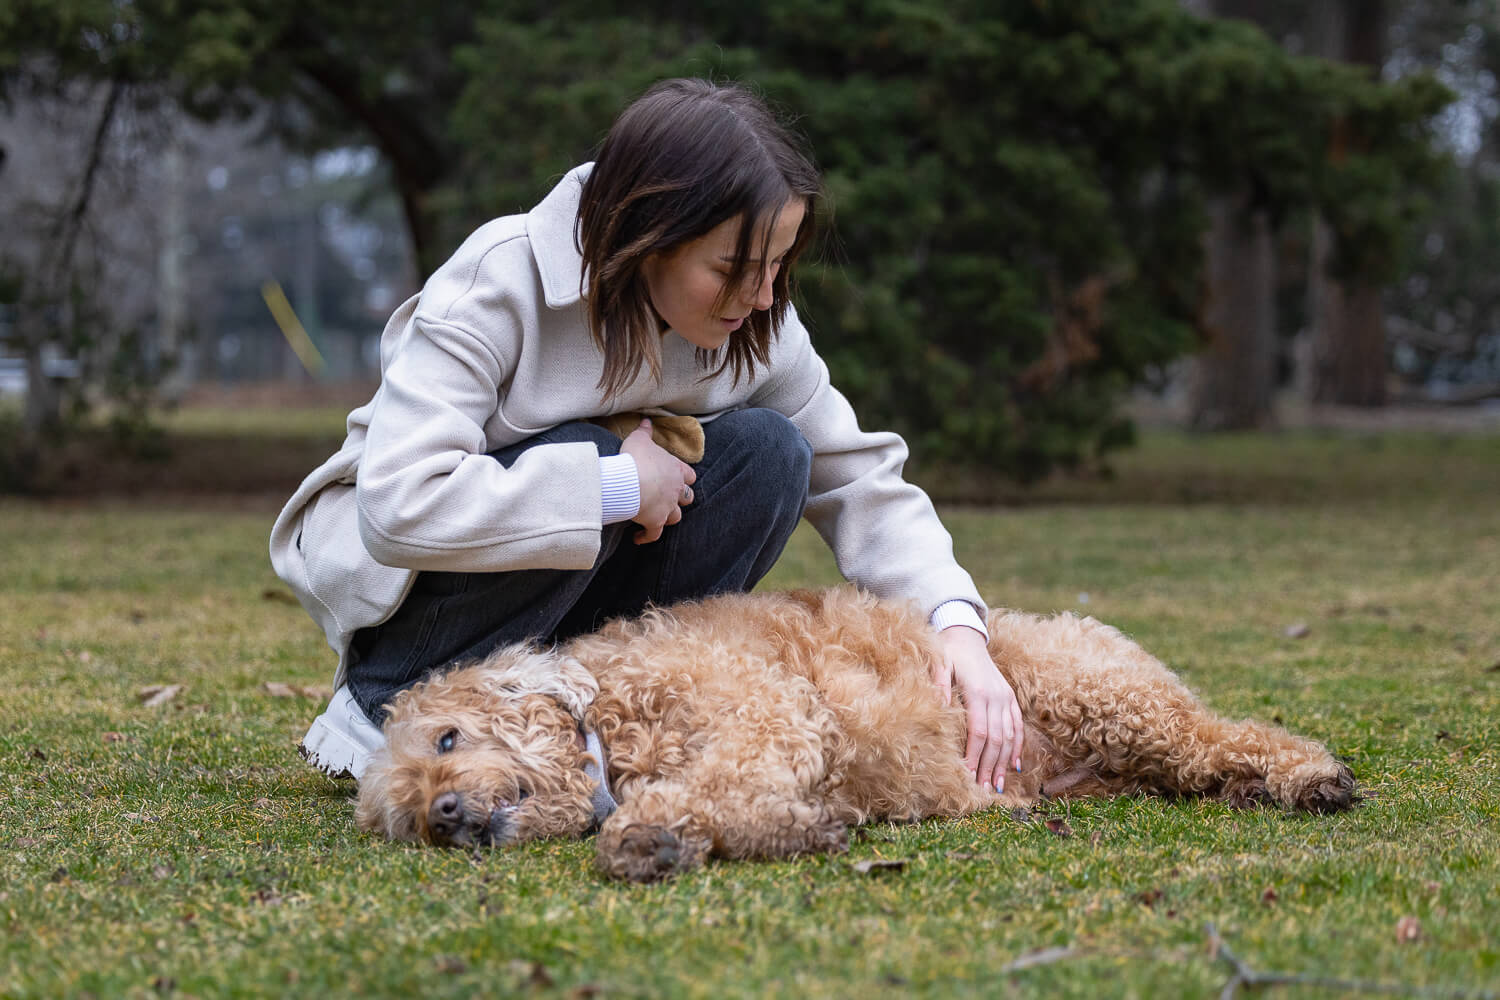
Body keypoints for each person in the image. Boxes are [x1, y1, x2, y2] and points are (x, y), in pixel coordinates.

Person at [269, 78, 1023, 797]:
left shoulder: (755, 321)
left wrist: (954, 626)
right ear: (649, 236)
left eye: (778, 265)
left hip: (572, 604)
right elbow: (398, 503)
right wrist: (621, 483)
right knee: (595, 453)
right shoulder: (498, 284)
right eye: (733, 266)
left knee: (770, 452)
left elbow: (857, 477)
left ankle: (598, 716)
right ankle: (389, 707)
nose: (763, 295)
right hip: (420, 611)